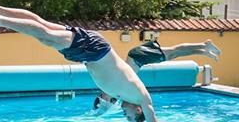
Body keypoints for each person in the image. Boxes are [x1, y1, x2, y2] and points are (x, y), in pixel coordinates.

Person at [0, 0, 164, 122]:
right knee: (45, 36)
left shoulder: (124, 96)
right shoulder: (142, 97)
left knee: (44, 25)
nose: (123, 114)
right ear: (139, 110)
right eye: (128, 116)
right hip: (94, 51)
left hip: (92, 51)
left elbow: (137, 121)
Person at [92, 38, 222, 115]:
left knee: (174, 52)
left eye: (106, 101)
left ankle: (204, 46)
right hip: (138, 57)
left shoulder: (110, 88)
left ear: (103, 97)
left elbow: (106, 104)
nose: (110, 102)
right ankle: (203, 49)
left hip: (139, 57)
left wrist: (98, 111)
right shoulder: (112, 89)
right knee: (174, 52)